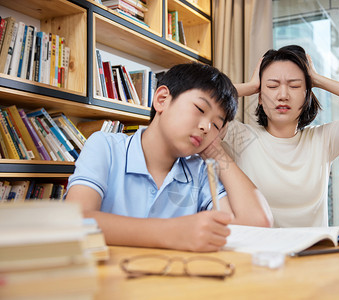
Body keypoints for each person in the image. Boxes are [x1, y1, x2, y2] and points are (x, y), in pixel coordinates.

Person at [65, 62, 273, 252]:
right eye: (200, 109)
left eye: (216, 125)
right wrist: (172, 233)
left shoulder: (200, 171)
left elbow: (256, 222)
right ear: (162, 99)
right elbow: (76, 221)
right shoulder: (105, 147)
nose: (206, 127)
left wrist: (215, 151)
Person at [223, 45, 339, 227]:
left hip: (314, 251)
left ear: (307, 96)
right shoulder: (237, 136)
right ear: (259, 96)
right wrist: (250, 86)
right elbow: (199, 101)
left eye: (295, 85)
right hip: (261, 253)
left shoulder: (323, 139)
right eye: (272, 86)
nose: (282, 95)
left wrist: (318, 80)